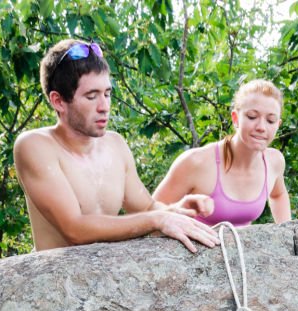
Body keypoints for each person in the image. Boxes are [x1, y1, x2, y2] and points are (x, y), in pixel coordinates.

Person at [14, 40, 218, 253]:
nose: (104, 107)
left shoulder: (115, 145)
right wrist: (157, 219)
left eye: (107, 94)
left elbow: (147, 208)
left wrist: (177, 210)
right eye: (91, 96)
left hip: (107, 275)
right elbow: (74, 229)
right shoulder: (35, 146)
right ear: (58, 101)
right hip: (55, 279)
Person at [153, 79, 291, 226]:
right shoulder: (196, 162)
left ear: (278, 124)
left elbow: (278, 194)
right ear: (236, 118)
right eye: (252, 117)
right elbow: (149, 216)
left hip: (244, 248)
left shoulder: (274, 161)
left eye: (270, 120)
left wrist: (288, 233)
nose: (261, 127)